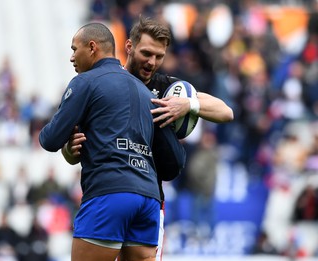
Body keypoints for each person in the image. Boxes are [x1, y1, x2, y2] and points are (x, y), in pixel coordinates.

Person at [62, 17, 234, 261]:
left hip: (148, 202)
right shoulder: (103, 84)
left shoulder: (166, 89)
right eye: (146, 53)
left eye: (159, 56)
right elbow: (71, 155)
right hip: (107, 194)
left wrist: (188, 104)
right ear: (129, 47)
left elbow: (226, 112)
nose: (152, 62)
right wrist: (69, 149)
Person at [39, 22, 185, 261]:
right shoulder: (146, 93)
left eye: (75, 49)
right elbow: (175, 160)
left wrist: (64, 139)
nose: (72, 57)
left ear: (92, 47)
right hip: (148, 199)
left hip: (108, 194)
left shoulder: (86, 81)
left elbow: (50, 139)